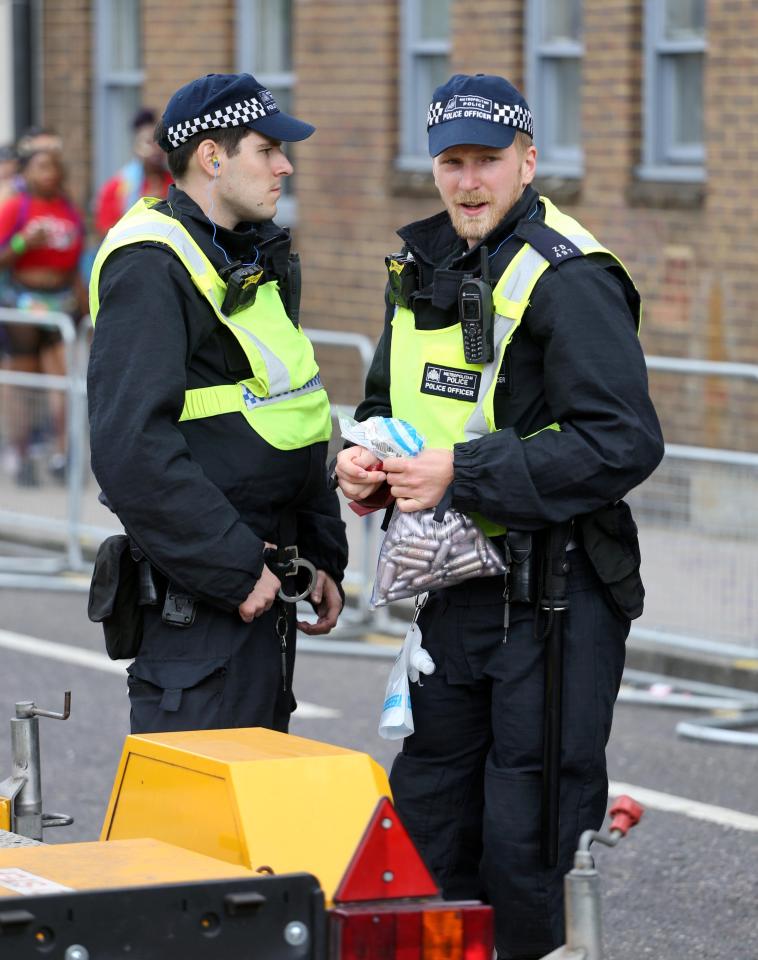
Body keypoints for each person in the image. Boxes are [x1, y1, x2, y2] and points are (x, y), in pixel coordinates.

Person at [335, 74, 664, 959]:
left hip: (555, 601)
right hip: (455, 595)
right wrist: (364, 462)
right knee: (433, 824)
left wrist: (462, 471)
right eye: (452, 161)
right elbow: (383, 400)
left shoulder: (571, 276)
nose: (469, 181)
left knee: (528, 842)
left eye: (488, 160)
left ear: (527, 159)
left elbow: (624, 441)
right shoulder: (424, 267)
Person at [87, 73, 348, 734]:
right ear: (213, 156)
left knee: (251, 821)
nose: (284, 165)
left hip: (263, 583)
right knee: (193, 828)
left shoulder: (246, 257)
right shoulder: (151, 263)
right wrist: (235, 569)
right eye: (267, 150)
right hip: (203, 602)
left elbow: (295, 413)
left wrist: (320, 557)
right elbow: (130, 449)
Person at [0, 146, 86, 484]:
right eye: (40, 166)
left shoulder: (68, 209)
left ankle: (61, 455)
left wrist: (86, 306)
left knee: (62, 382)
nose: (48, 172)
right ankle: (21, 455)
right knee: (26, 384)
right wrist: (23, 242)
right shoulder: (15, 207)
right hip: (23, 302)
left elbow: (77, 262)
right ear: (26, 173)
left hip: (61, 303)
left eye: (53, 166)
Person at [93, 107, 172, 236]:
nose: (156, 148)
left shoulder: (176, 183)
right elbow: (105, 232)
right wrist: (142, 211)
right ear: (136, 148)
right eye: (148, 143)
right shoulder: (117, 187)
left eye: (160, 142)